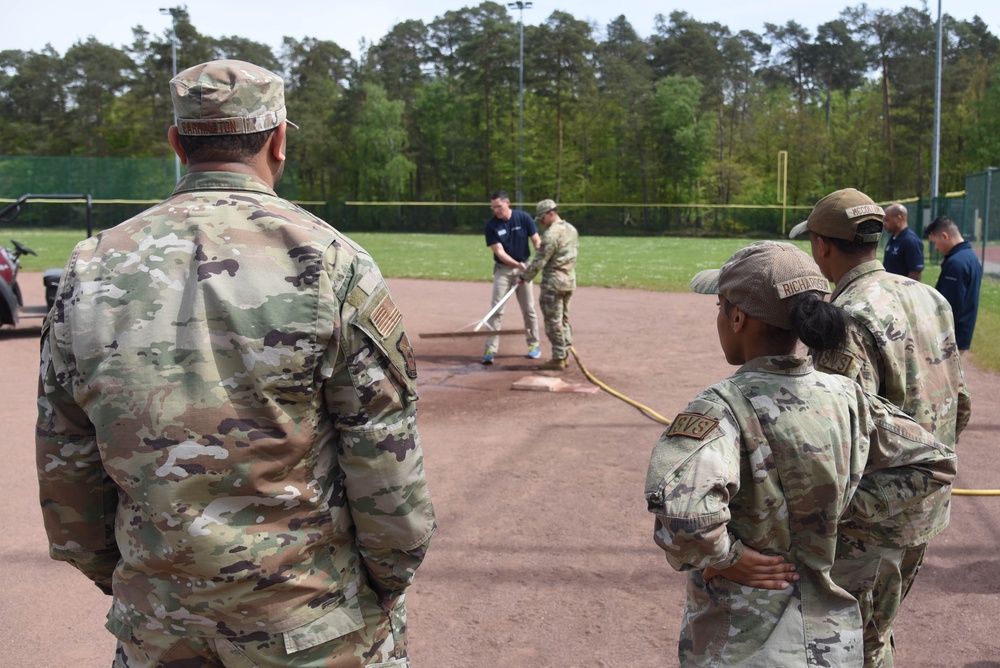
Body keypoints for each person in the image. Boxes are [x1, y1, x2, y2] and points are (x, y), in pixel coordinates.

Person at [35, 60, 436, 668]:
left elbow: (67, 472)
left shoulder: (90, 267)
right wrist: (385, 583)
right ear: (278, 140)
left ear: (177, 144)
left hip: (160, 629)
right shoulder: (331, 262)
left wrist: (151, 594)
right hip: (310, 629)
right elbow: (385, 467)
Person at [644, 241, 954, 666]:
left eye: (720, 305)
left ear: (737, 317)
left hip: (741, 640)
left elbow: (685, 518)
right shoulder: (849, 397)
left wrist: (727, 557)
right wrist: (837, 509)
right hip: (830, 642)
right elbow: (934, 462)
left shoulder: (720, 407)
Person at [790, 187, 971, 668]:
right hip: (923, 507)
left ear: (823, 246)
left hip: (869, 523)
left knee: (850, 643)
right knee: (877, 631)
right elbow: (960, 402)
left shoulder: (845, 316)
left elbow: (833, 436)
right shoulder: (929, 298)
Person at [481, 190, 541, 364]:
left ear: (508, 203)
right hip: (503, 271)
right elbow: (499, 252)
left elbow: (536, 240)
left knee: (529, 309)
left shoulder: (523, 218)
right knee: (496, 310)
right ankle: (490, 349)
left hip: (525, 269)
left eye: (498, 206)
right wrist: (516, 264)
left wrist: (540, 253)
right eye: (493, 207)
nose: (496, 210)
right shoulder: (491, 225)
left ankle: (533, 345)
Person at [519, 199, 579, 371]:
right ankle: (565, 352)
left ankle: (559, 358)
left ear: (551, 213)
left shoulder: (552, 233)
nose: (541, 223)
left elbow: (540, 260)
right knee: (564, 319)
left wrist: (525, 276)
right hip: (569, 281)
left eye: (542, 218)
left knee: (553, 322)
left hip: (554, 283)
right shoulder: (571, 229)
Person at [925, 215, 983, 351]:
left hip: (950, 337)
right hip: (962, 333)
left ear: (945, 236)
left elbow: (949, 305)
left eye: (934, 243)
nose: (936, 248)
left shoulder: (957, 263)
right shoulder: (971, 257)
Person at [882, 203, 924, 280]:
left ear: (898, 218)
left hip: (901, 290)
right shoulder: (894, 238)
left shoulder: (911, 241)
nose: (884, 224)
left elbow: (915, 274)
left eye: (887, 220)